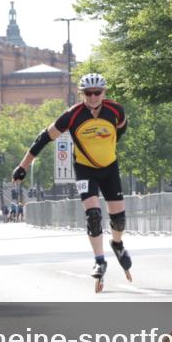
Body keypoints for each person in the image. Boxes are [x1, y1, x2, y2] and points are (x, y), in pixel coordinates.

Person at [12, 73, 131, 292]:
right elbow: (44, 138)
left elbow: (122, 127)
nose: (93, 97)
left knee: (119, 220)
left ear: (104, 93)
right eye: (88, 93)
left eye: (98, 93)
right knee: (93, 216)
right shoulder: (72, 115)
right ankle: (99, 259)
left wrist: (108, 146)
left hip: (110, 168)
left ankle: (117, 243)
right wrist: (23, 166)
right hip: (85, 169)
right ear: (82, 94)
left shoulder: (116, 110)